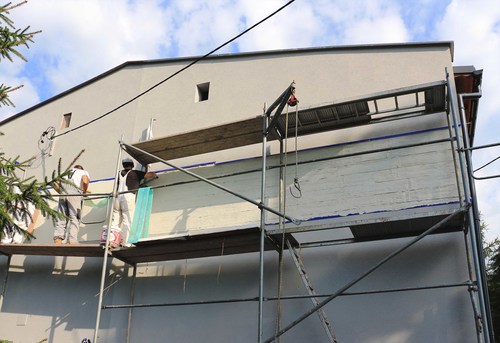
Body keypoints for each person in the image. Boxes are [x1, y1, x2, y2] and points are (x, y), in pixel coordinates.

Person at [111, 158, 156, 247]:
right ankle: (126, 242)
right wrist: (154, 174)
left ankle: (112, 241)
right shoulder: (135, 173)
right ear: (132, 165)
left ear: (123, 165)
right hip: (128, 196)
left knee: (115, 220)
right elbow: (150, 175)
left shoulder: (119, 173)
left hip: (117, 197)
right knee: (128, 219)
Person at [53, 165, 90, 244]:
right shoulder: (83, 172)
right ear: (81, 169)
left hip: (63, 194)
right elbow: (85, 181)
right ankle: (72, 240)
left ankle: (58, 238)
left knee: (61, 217)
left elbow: (55, 184)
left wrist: (60, 192)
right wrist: (84, 191)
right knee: (75, 217)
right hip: (75, 194)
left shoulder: (65, 173)